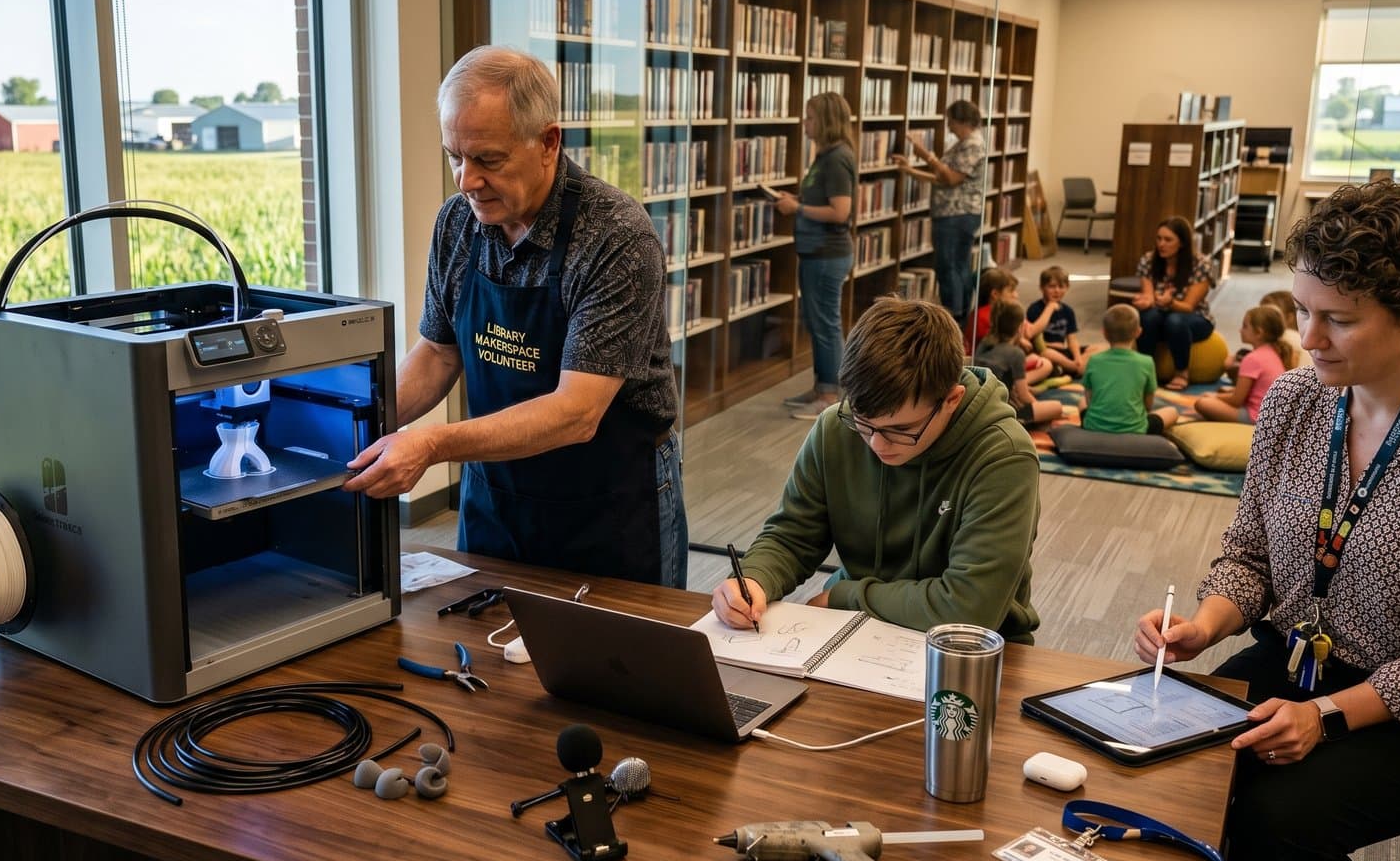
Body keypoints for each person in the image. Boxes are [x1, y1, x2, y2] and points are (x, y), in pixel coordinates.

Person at [1131, 181, 1400, 861]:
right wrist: (1205, 623)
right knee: (1171, 759)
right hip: (1302, 664)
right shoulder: (1294, 401)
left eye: (1338, 319)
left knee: (1278, 823)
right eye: (1303, 309)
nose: (1307, 338)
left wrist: (1325, 715)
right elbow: (1249, 557)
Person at [344, 45, 688, 588]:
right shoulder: (458, 224)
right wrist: (352, 420)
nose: (465, 180)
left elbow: (577, 412)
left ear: (549, 142)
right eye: (454, 156)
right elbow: (437, 353)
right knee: (481, 648)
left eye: (488, 160)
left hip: (607, 501)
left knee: (619, 663)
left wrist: (432, 443)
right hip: (497, 494)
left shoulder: (616, 235)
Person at [711, 297, 1041, 642]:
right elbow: (793, 535)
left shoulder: (1004, 455)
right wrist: (752, 578)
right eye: (863, 423)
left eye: (901, 429)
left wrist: (847, 597)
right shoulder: (834, 429)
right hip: (853, 631)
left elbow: (970, 607)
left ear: (951, 400)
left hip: (970, 648)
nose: (877, 444)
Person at [774, 92, 858, 419]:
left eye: (809, 117)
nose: (804, 123)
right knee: (818, 321)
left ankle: (829, 396)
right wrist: (797, 198)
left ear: (825, 120)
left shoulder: (837, 158)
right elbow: (822, 197)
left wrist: (797, 208)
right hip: (815, 252)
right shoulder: (825, 156)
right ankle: (822, 383)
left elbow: (841, 212)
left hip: (827, 253)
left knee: (825, 324)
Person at [892, 100, 987, 324]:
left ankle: (953, 319)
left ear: (963, 121)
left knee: (949, 267)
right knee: (957, 265)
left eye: (951, 121)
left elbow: (952, 178)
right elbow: (942, 179)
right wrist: (910, 170)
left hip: (957, 215)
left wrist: (924, 153)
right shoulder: (962, 143)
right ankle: (959, 318)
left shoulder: (972, 144)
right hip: (954, 213)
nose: (949, 126)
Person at [1131, 217, 1216, 391]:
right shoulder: (1148, 260)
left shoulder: (1201, 264)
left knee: (1175, 320)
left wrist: (1170, 303)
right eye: (1159, 238)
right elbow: (1148, 296)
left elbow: (1188, 307)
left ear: (1182, 243)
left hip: (1195, 318)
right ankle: (1146, 369)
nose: (1161, 244)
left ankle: (1181, 372)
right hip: (1160, 316)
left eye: (1168, 240)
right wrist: (1145, 302)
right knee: (1147, 317)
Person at [1083, 304, 1179, 436]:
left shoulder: (1094, 360)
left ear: (1104, 333)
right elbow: (1148, 405)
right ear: (1138, 332)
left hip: (1094, 426)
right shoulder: (1147, 362)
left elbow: (1089, 399)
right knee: (1172, 412)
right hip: (1136, 430)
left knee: (1081, 403)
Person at [1194, 306, 1295, 424]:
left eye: (1245, 326)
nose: (1240, 330)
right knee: (1222, 393)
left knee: (1202, 402)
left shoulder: (1252, 358)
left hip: (1256, 417)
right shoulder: (1274, 353)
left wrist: (1215, 396)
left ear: (1259, 333)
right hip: (1271, 416)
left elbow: (1236, 400)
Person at [975, 301, 1064, 429]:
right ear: (1020, 328)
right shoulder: (1015, 353)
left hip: (981, 408)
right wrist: (1037, 405)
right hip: (1000, 414)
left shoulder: (984, 343)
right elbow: (1023, 396)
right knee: (1056, 407)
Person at [974, 268, 1049, 384]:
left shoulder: (986, 312)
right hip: (992, 371)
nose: (1016, 295)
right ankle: (1017, 387)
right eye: (1011, 291)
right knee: (1046, 365)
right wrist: (1051, 307)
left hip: (995, 364)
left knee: (1039, 356)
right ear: (995, 294)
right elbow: (997, 345)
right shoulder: (986, 316)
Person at [1027, 265, 1088, 376]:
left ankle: (1072, 366)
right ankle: (1073, 368)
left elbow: (1072, 339)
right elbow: (1033, 332)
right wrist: (1049, 308)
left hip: (1063, 353)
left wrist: (1078, 357)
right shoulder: (1034, 309)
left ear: (1067, 287)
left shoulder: (1068, 311)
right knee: (1047, 354)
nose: (1057, 291)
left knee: (1100, 348)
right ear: (1042, 287)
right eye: (1052, 286)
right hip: (1045, 351)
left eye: (1061, 287)